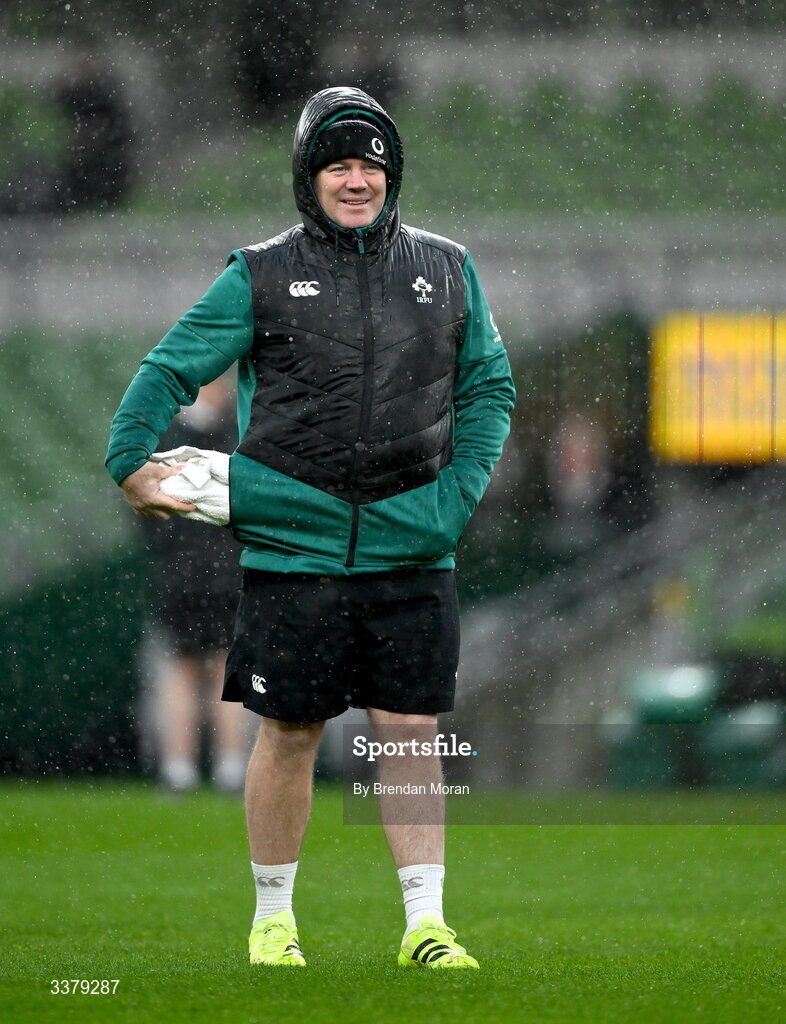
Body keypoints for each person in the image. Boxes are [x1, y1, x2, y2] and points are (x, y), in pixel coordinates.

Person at [106, 86, 515, 969]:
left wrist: (457, 496)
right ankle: (273, 923)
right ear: (308, 175)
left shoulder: (448, 268)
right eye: (338, 163)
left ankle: (426, 928)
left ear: (392, 173)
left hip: (416, 550)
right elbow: (173, 364)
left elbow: (490, 386)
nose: (357, 178)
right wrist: (128, 458)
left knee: (409, 733)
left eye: (371, 162)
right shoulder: (256, 271)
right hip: (295, 555)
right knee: (288, 733)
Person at [139, 376, 249, 794]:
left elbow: (143, 506)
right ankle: (227, 766)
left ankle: (181, 768)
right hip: (222, 570)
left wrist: (169, 550)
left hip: (183, 570)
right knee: (221, 667)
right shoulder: (239, 436)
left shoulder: (167, 437)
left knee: (185, 669)